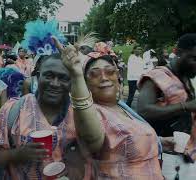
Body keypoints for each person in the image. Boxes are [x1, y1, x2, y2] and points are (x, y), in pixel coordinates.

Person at [53, 39, 163, 179]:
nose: (104, 78)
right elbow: (91, 140)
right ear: (85, 84)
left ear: (118, 77)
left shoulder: (122, 107)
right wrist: (76, 75)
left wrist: (161, 141)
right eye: (95, 74)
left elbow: (129, 137)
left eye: (110, 72)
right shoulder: (91, 113)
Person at [0, 53, 92, 180]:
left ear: (72, 81)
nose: (55, 83)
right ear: (38, 77)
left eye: (63, 78)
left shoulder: (83, 115)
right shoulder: (14, 110)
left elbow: (100, 151)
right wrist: (17, 154)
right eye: (49, 76)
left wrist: (76, 163)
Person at [137, 34, 196, 161]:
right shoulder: (157, 76)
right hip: (163, 154)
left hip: (185, 150)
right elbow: (143, 110)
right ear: (179, 52)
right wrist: (185, 106)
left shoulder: (187, 76)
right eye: (194, 58)